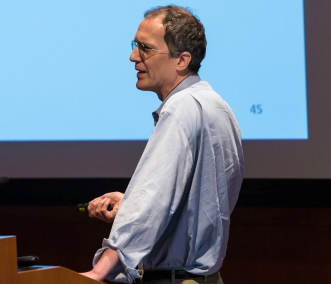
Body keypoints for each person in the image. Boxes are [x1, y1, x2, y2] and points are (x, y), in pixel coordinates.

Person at [80, 5, 244, 284]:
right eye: (135, 45)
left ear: (182, 60)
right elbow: (197, 201)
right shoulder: (215, 105)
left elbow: (152, 199)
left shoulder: (181, 108)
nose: (133, 57)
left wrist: (99, 271)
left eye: (145, 48)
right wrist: (130, 204)